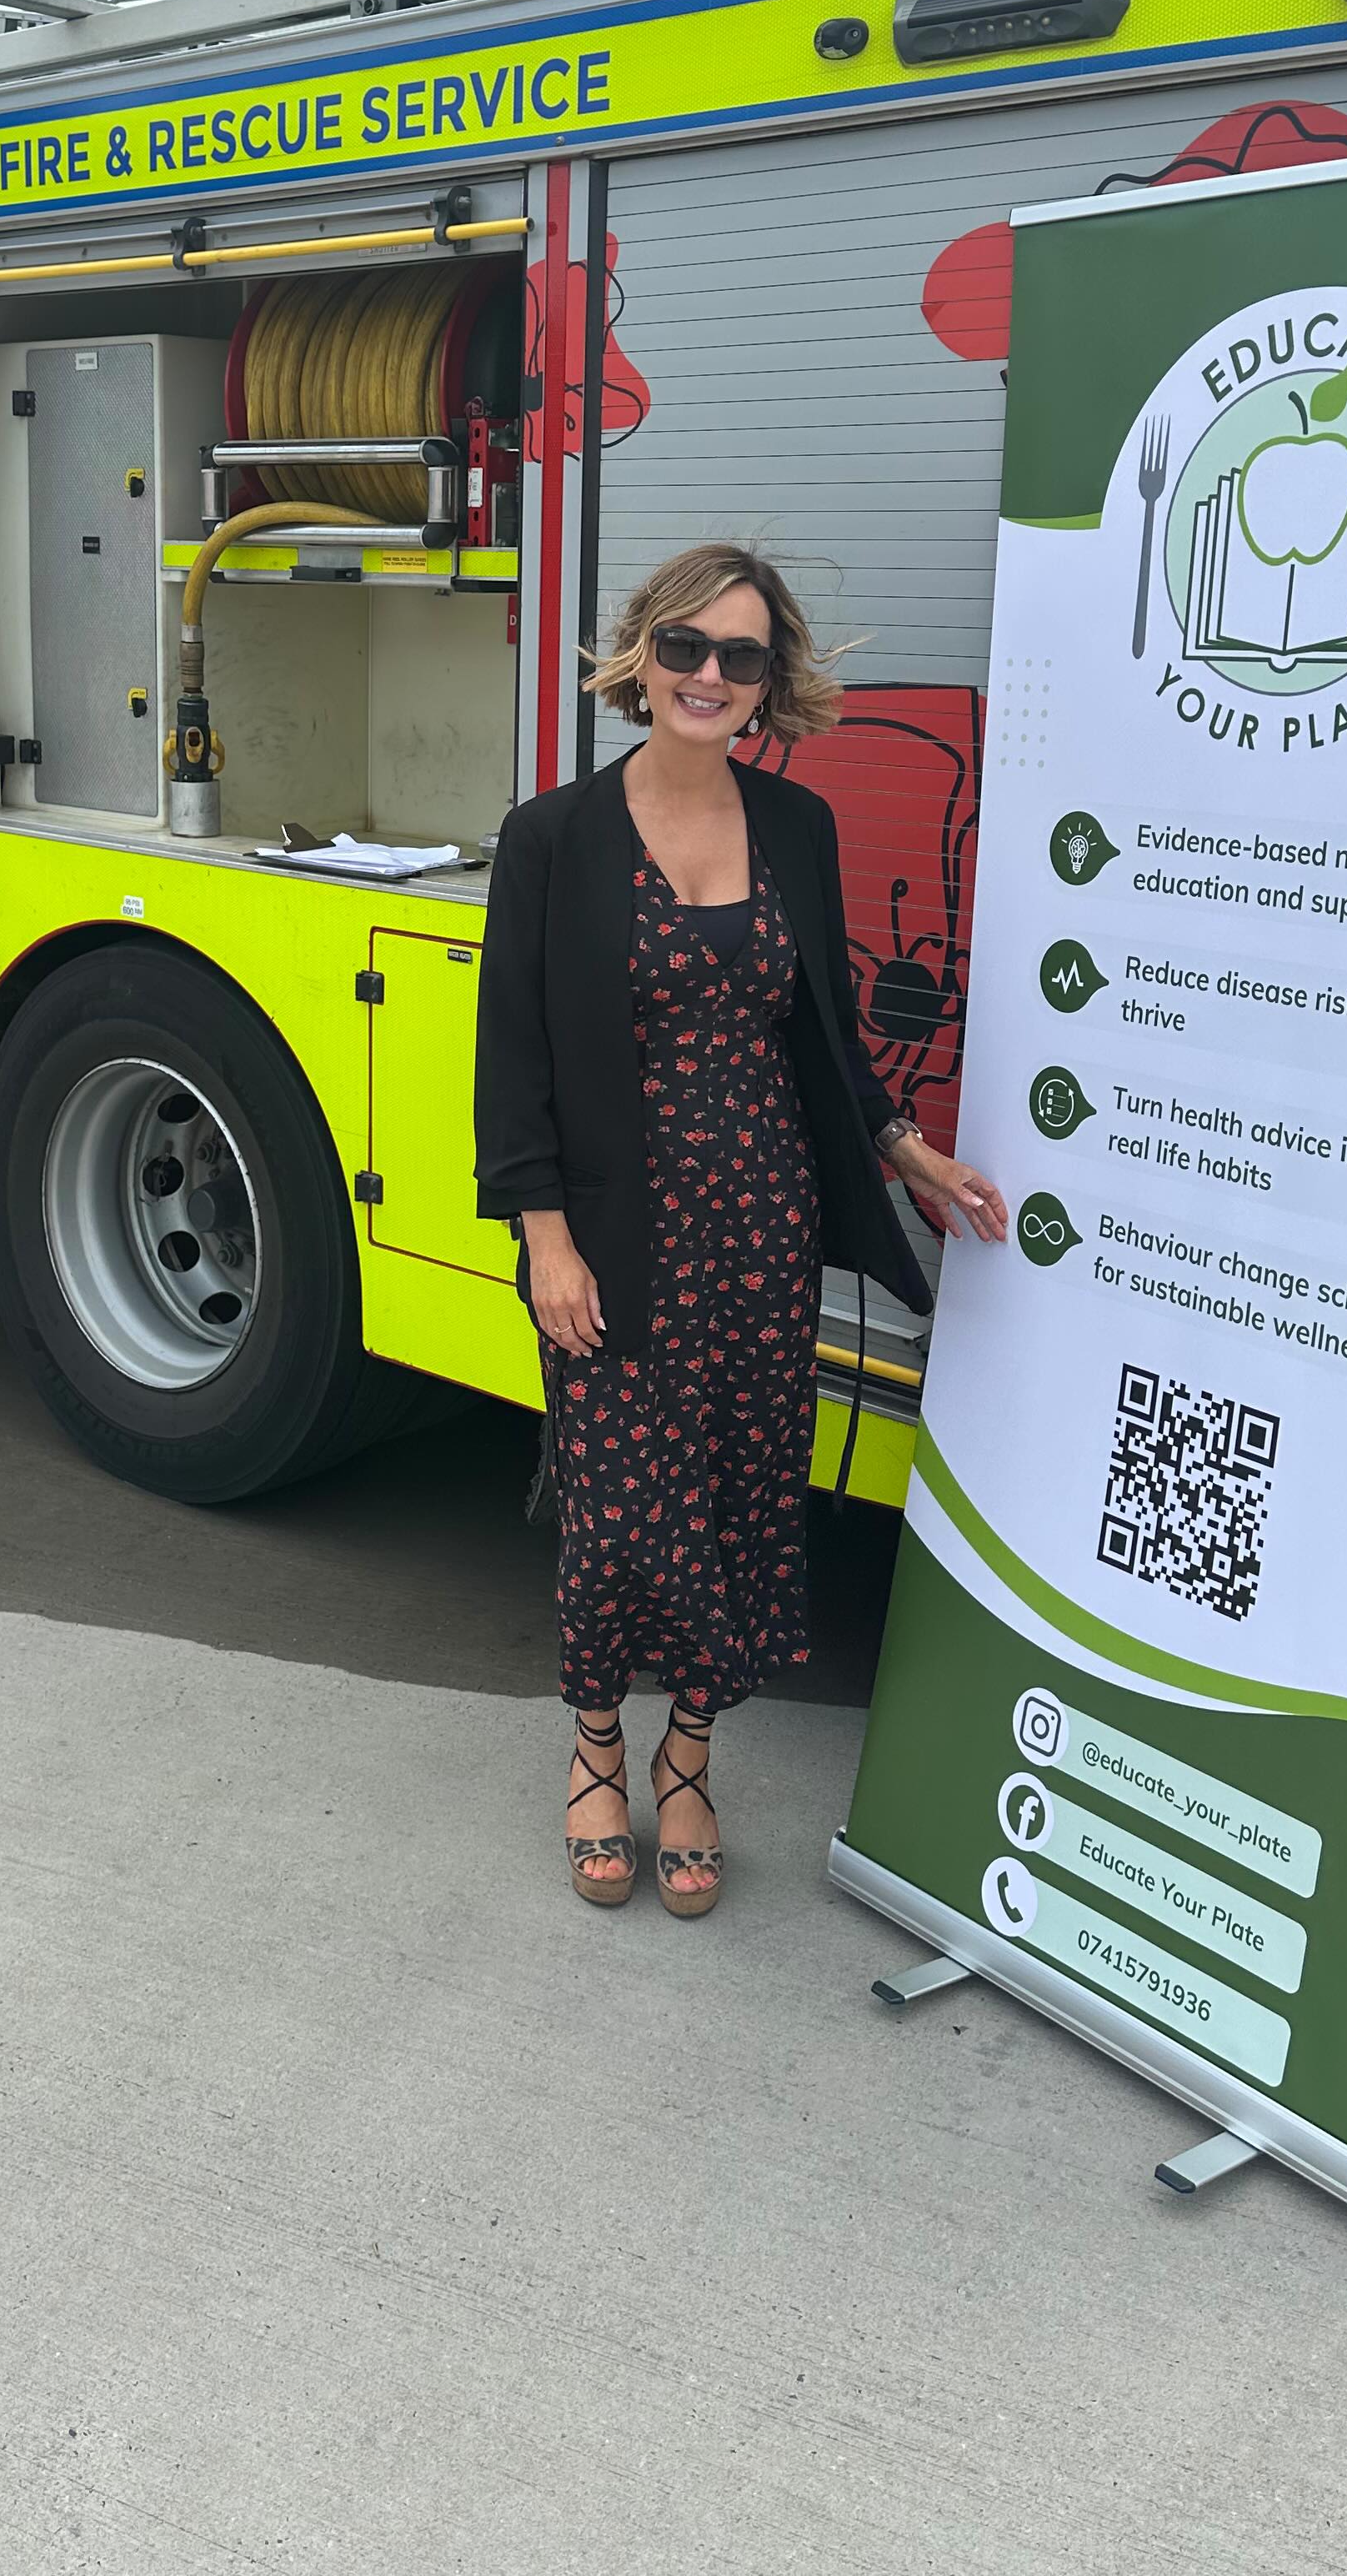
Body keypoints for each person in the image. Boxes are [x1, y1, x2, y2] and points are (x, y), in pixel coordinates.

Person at [474, 544, 1006, 1917]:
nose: (709, 675)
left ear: (771, 682)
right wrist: (546, 1241)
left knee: (740, 1501)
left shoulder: (799, 830)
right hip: (617, 1241)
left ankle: (691, 1761)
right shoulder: (551, 839)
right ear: (640, 656)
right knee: (617, 1510)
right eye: (686, 647)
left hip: (763, 1234)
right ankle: (599, 1751)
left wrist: (907, 1152)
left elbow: (823, 1039)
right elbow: (514, 1064)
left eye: (742, 656)